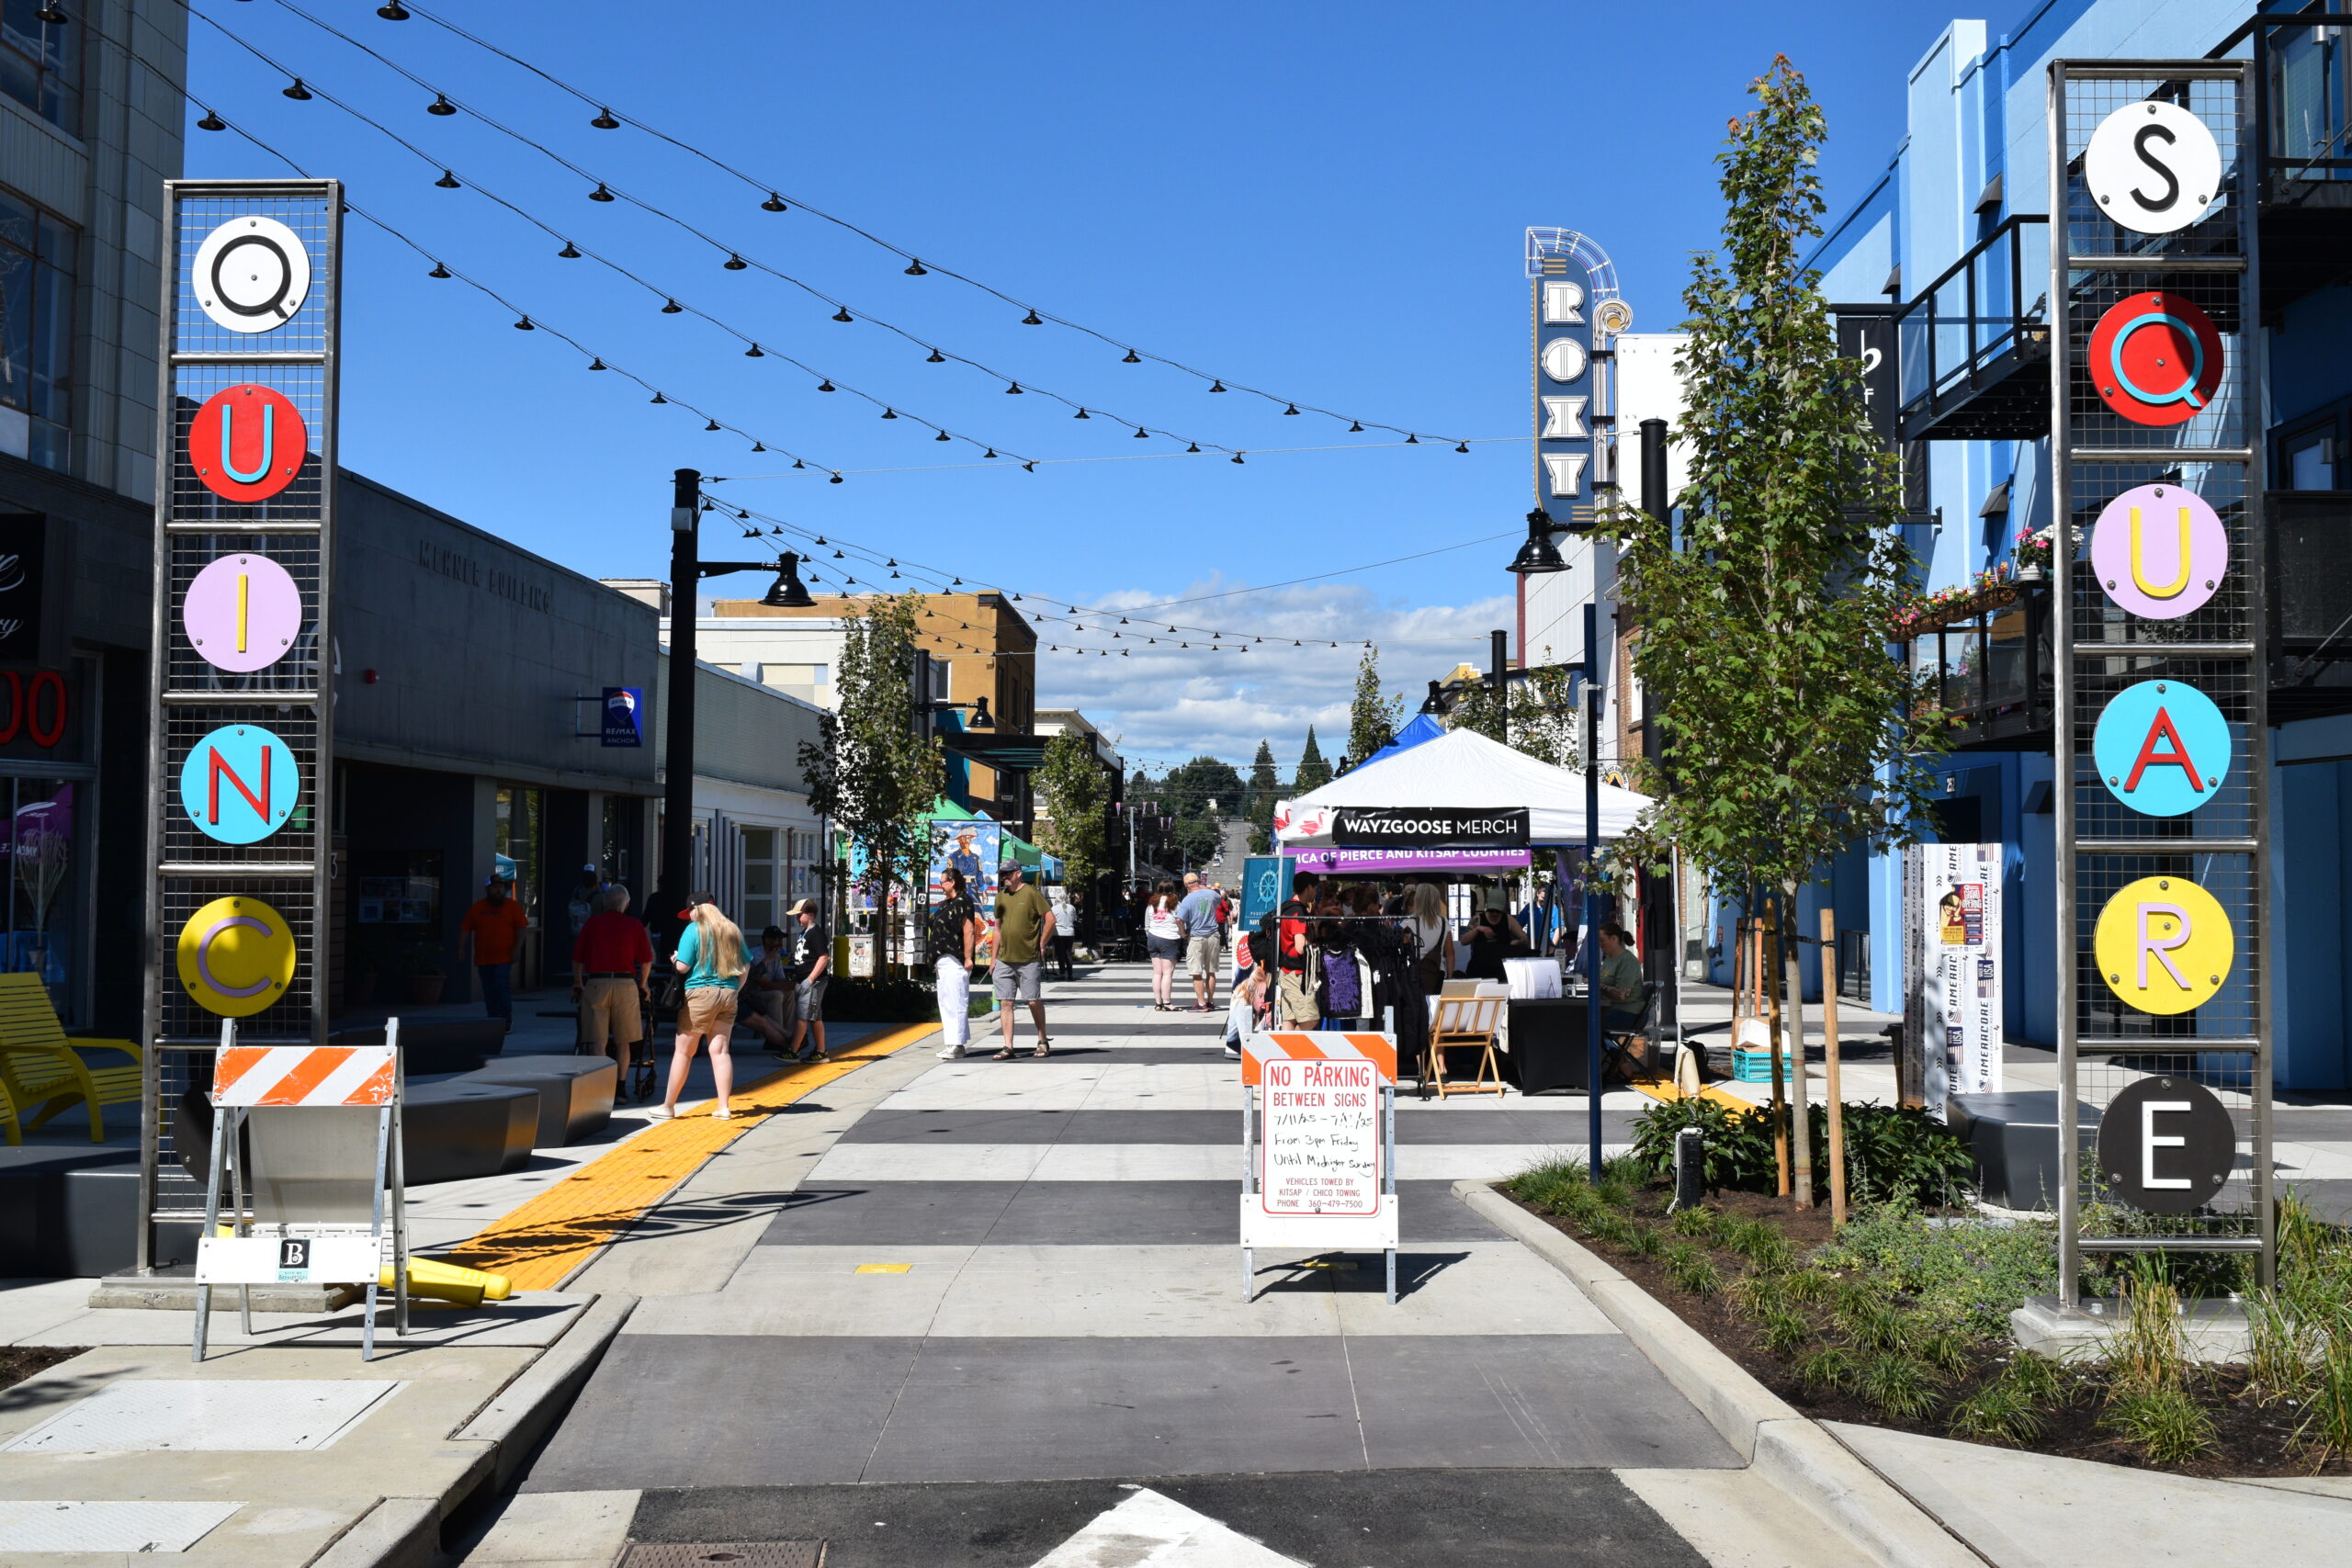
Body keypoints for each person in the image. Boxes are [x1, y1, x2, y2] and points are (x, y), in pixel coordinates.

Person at [655, 894, 747, 1121]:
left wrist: (675, 959)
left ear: (697, 909)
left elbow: (684, 967)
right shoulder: (732, 929)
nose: (689, 917)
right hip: (729, 992)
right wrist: (735, 989)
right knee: (721, 1051)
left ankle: (668, 1106)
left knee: (684, 1051)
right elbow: (745, 966)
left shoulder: (694, 930)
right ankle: (724, 1107)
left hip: (701, 994)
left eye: (690, 913)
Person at [570, 885, 653, 1077]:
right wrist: (643, 984)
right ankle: (621, 1086)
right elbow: (646, 960)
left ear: (605, 902)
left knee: (598, 1042)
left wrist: (577, 983)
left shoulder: (592, 924)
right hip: (625, 984)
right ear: (627, 904)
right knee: (623, 1041)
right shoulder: (634, 925)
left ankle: (601, 1087)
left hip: (597, 983)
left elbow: (577, 958)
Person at [989, 861, 1056, 1058]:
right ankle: (1008, 1046)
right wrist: (993, 959)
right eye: (1002, 874)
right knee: (1005, 1003)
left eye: (1008, 873)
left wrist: (1042, 944)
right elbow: (998, 929)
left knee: (1033, 1000)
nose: (1004, 877)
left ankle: (1042, 1039)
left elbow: (1050, 919)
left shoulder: (1031, 893)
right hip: (1004, 959)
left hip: (1028, 958)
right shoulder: (1001, 897)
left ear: (1018, 873)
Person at [459, 874, 529, 1031]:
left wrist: (517, 948)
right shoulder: (477, 908)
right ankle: (492, 1018)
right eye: (495, 887)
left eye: (501, 887)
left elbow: (522, 929)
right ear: (488, 889)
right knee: (489, 990)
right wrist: (461, 948)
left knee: (500, 986)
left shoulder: (512, 907)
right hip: (483, 958)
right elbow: (465, 929)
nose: (498, 889)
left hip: (504, 957)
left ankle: (505, 1019)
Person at [930, 868, 983, 1060]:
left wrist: (968, 957)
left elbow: (968, 930)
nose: (940, 885)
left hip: (955, 958)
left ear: (952, 882)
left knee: (956, 1000)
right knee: (946, 1002)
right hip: (942, 959)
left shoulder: (963, 902)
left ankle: (958, 1044)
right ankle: (952, 1042)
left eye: (943, 881)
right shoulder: (947, 903)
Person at [785, 897, 831, 1062]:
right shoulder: (805, 933)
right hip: (805, 981)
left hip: (812, 982)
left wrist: (810, 979)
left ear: (810, 915)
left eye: (800, 915)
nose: (797, 918)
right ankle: (821, 1050)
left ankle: (794, 1050)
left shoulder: (816, 934)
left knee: (802, 1017)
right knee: (814, 1017)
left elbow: (823, 957)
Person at [1174, 871, 1223, 1013]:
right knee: (1211, 971)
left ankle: (1201, 1004)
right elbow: (1218, 899)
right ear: (1198, 882)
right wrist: (1205, 888)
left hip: (1196, 936)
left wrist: (1183, 933)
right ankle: (1211, 1001)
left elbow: (1179, 919)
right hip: (1213, 935)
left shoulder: (1187, 900)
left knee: (1196, 972)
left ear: (1185, 885)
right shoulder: (1212, 895)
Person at [742, 925, 796, 1045]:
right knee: (776, 995)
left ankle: (787, 1033)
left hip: (766, 989)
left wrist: (792, 986)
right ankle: (776, 1038)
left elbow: (780, 979)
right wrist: (785, 986)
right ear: (766, 940)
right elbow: (763, 983)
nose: (780, 943)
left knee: (790, 994)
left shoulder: (776, 955)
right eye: (776, 939)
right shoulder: (755, 954)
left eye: (781, 939)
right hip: (751, 993)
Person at [1598, 920, 1647, 1036]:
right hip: (1610, 1008)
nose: (1600, 944)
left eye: (1602, 940)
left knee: (1586, 1024)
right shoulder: (1609, 959)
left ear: (1614, 939)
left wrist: (1598, 986)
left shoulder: (1627, 961)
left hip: (1627, 1013)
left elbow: (1622, 994)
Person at [1143, 879, 1184, 1010]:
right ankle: (1167, 1002)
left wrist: (1150, 934)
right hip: (1169, 938)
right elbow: (1180, 920)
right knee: (1167, 973)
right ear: (1173, 890)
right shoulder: (1176, 904)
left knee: (1157, 973)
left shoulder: (1152, 904)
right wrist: (1183, 934)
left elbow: (1147, 924)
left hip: (1153, 937)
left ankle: (1158, 1003)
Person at [1408, 883, 1453, 994]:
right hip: (1437, 972)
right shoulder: (1443, 922)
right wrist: (1450, 978)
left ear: (1417, 900)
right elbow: (1450, 953)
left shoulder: (1408, 922)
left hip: (1413, 973)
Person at [1046, 880, 1077, 980]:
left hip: (1058, 933)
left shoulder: (1054, 908)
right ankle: (1070, 973)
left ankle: (1062, 973)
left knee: (1060, 953)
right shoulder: (1072, 907)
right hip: (1070, 933)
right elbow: (1074, 919)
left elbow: (1051, 920)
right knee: (1068, 953)